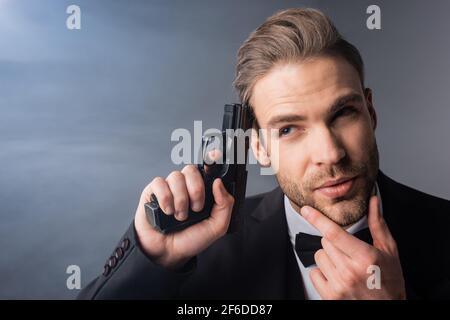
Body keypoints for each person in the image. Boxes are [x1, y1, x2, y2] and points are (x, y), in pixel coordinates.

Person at [78, 8, 450, 300]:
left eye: (343, 114)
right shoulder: (205, 254)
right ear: (258, 148)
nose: (330, 153)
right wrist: (154, 260)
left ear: (370, 112)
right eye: (288, 129)